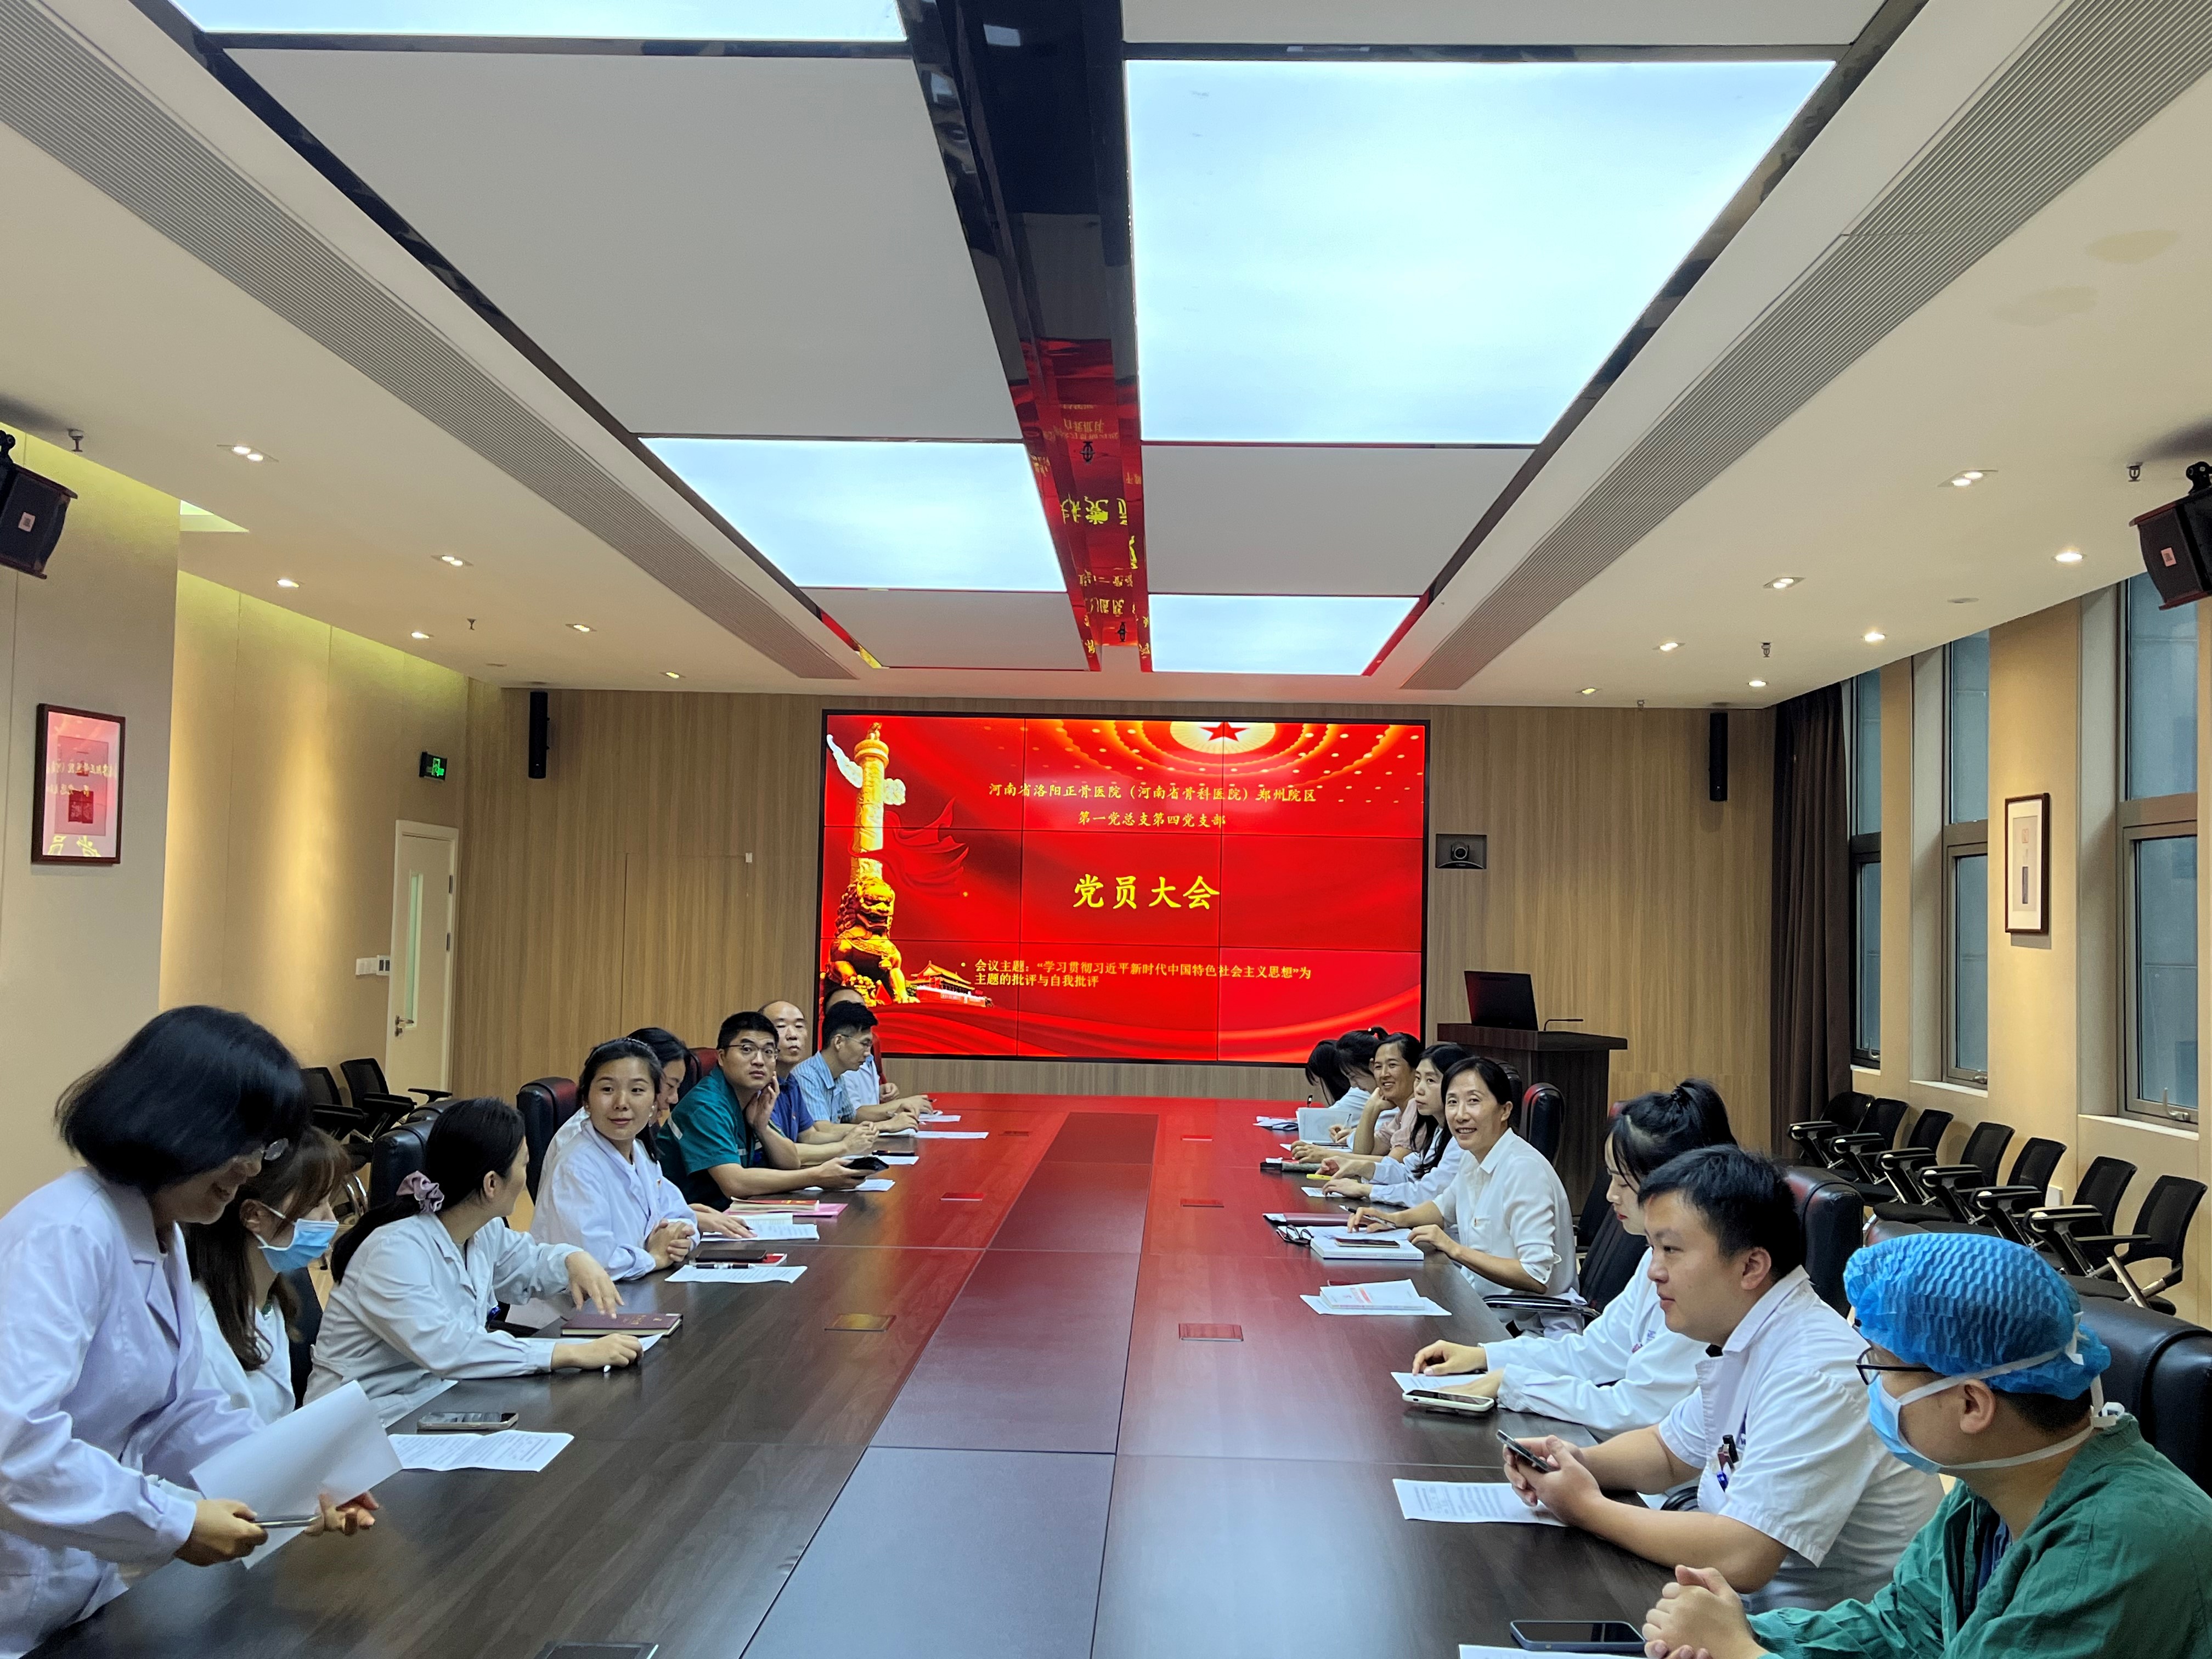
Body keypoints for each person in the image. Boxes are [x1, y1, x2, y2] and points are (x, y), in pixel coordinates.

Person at [1641, 1229, 2212, 1659]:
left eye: (1882, 1368)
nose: (1872, 1388)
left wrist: (1743, 1654)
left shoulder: (2113, 1546)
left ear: (1971, 1405)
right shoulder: (1989, 1493)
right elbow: (1903, 1630)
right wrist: (1742, 1629)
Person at [0, 1007, 371, 1659]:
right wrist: (173, 1522)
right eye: (246, 1144)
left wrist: (289, 1477)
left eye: (267, 1148)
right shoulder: (66, 1233)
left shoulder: (161, 1231)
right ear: (177, 1122)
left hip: (71, 1588)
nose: (253, 1168)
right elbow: (14, 1448)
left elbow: (174, 1411)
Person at [1500, 1147, 1941, 1611]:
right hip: (1731, 1613)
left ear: (1751, 1266)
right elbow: (1668, 1451)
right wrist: (1576, 1461)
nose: (1654, 1271)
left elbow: (1743, 1555)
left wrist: (1587, 1508)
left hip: (1805, 1633)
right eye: (1652, 1248)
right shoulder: (1753, 1332)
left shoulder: (1817, 1371)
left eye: (1671, 1250)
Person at [1405, 1080, 1734, 1432]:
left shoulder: (1703, 1282)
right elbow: (1593, 1352)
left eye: (1623, 1182)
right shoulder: (1652, 1259)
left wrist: (1512, 1385)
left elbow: (1637, 1409)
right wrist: (1486, 1357)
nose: (1610, 1195)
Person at [309, 1097, 637, 1425]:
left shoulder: (481, 1230)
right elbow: (449, 1348)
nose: (526, 1176)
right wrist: (568, 1353)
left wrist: (572, 1259)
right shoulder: (393, 1251)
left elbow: (528, 1263)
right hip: (363, 1423)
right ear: (492, 1183)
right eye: (524, 1164)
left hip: (435, 1400)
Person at [1350, 1056, 1579, 1316]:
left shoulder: (1524, 1170)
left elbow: (1535, 1274)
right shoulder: (1473, 1155)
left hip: (1523, 1323)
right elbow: (1443, 1207)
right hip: (1477, 1303)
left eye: (1473, 1101)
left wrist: (1454, 1249)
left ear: (1505, 1111)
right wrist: (1393, 1220)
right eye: (1452, 1102)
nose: (1460, 1115)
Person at [515, 1039, 702, 1327]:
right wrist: (654, 1257)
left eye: (637, 1090)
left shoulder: (638, 1150)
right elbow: (597, 1264)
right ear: (586, 1101)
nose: (621, 1103)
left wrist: (679, 1240)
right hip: (566, 1322)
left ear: (655, 1101)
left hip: (630, 1302)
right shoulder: (577, 1165)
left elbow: (681, 1215)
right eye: (607, 1090)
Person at [184, 1126, 352, 1425]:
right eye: (316, 1204)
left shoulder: (271, 1300)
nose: (331, 1219)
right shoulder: (199, 1328)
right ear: (254, 1216)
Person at [663, 1011, 865, 1204]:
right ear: (722, 1057)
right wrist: (816, 1176)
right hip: (691, 1220)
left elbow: (790, 1163)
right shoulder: (706, 1105)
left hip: (733, 1212)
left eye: (768, 1052)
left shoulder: (753, 1099)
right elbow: (735, 1183)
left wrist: (763, 1129)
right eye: (747, 1050)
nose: (759, 1061)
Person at [622, 1025, 748, 1239]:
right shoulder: (598, 1137)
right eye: (670, 1086)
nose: (674, 1099)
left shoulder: (637, 1136)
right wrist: (689, 1219)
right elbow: (622, 1219)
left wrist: (686, 1212)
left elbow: (655, 1199)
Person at [1316, 1042, 1468, 1209]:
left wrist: (1365, 1189)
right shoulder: (1439, 1129)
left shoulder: (1462, 1138)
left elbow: (1428, 1193)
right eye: (1418, 1079)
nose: (1419, 1089)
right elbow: (1409, 1171)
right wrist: (1358, 1166)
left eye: (1430, 1080)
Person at [789, 1000, 919, 1135]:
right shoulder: (806, 1077)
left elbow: (852, 1117)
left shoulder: (837, 1076)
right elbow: (822, 1129)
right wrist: (886, 1126)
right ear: (839, 1042)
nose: (868, 1053)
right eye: (864, 1044)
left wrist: (892, 1114)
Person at [823, 985, 930, 1119]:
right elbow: (852, 1115)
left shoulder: (866, 1055)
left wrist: (878, 1092)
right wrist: (903, 1104)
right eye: (846, 1009)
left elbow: (857, 1101)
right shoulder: (838, 1065)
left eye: (861, 1008)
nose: (856, 1014)